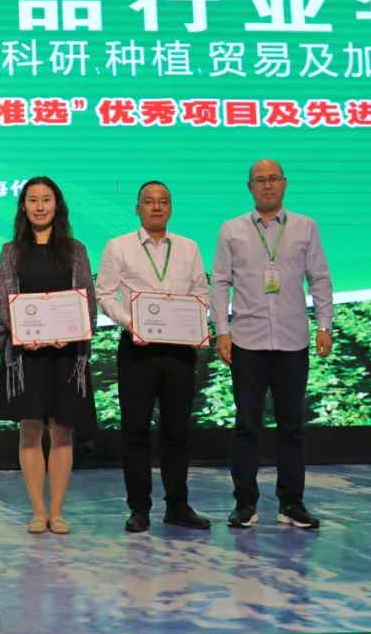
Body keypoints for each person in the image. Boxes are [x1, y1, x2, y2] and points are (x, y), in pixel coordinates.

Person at [211, 158, 333, 530]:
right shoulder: (231, 229)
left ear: (284, 183)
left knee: (292, 426)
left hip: (293, 340)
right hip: (247, 340)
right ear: (249, 187)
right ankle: (245, 503)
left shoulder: (305, 227)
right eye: (259, 180)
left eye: (273, 179)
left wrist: (324, 325)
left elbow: (319, 278)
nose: (267, 185)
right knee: (247, 424)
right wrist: (222, 331)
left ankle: (291, 503)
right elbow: (219, 283)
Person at [95, 181, 211, 533]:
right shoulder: (119, 246)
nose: (156, 207)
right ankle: (139, 508)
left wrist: (193, 322)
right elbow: (104, 294)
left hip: (179, 351)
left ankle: (178, 506)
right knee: (136, 431)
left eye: (162, 201)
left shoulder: (189, 247)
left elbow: (201, 293)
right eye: (149, 201)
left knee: (177, 431)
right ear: (138, 208)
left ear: (170, 208)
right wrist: (132, 323)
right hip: (138, 349)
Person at [0, 176, 98, 535]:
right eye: (32, 200)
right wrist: (26, 335)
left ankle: (58, 511)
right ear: (23, 207)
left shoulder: (76, 250)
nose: (40, 206)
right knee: (30, 430)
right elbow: (3, 303)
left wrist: (67, 334)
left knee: (62, 431)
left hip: (67, 356)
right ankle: (38, 511)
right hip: (26, 357)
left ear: (57, 205)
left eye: (46, 199)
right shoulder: (11, 251)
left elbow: (87, 303)